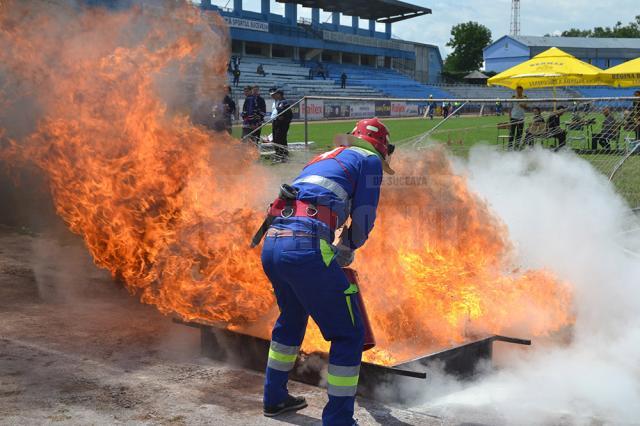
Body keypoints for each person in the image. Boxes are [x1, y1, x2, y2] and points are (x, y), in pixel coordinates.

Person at [257, 117, 395, 425]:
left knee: (291, 320)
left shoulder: (328, 155)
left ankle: (274, 397)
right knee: (348, 333)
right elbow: (364, 213)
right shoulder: (369, 158)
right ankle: (339, 420)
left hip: (273, 242)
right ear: (383, 148)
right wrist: (348, 246)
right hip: (305, 248)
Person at [269, 88, 293, 162]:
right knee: (276, 139)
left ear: (279, 94)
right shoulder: (277, 102)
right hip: (276, 122)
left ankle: (283, 156)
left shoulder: (284, 102)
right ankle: (278, 155)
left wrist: (281, 118)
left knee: (280, 140)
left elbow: (284, 113)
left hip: (281, 124)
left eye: (276, 94)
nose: (274, 95)